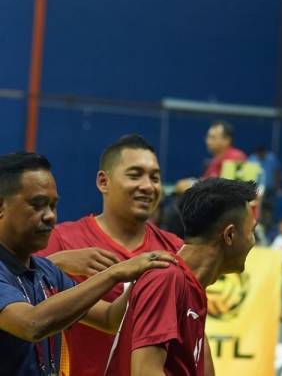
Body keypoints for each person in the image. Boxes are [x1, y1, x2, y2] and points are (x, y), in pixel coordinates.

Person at [0, 151, 175, 375]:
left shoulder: (46, 272)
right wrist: (115, 273)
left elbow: (110, 318)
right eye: (38, 204)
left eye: (53, 206)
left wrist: (147, 275)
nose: (50, 216)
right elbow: (32, 325)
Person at [38, 134, 184, 376]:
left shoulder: (175, 249)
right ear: (103, 182)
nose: (148, 186)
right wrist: (54, 264)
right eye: (135, 175)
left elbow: (194, 338)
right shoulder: (62, 240)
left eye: (155, 178)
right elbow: (21, 294)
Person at [105, 178, 258, 375]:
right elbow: (146, 372)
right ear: (229, 235)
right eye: (252, 231)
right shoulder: (166, 278)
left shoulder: (191, 288)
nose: (254, 242)